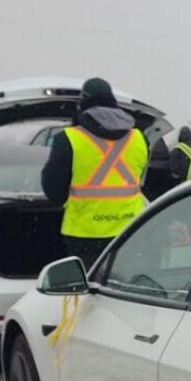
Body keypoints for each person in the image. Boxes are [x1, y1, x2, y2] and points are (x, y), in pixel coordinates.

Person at [41, 78, 149, 268]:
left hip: (84, 235)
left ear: (82, 104)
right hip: (131, 230)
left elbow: (53, 191)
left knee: (90, 291)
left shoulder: (68, 139)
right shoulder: (139, 138)